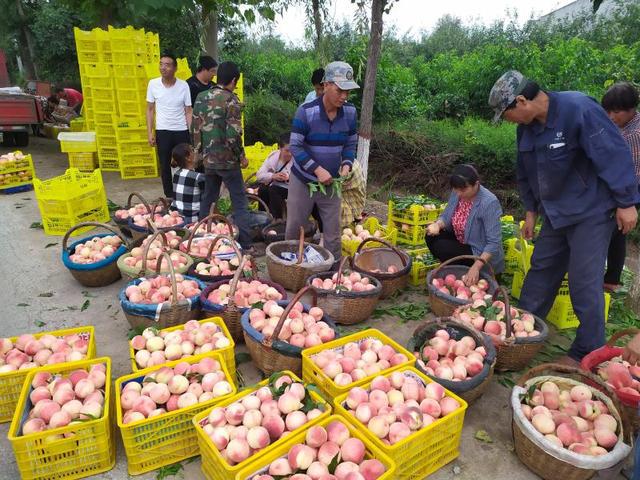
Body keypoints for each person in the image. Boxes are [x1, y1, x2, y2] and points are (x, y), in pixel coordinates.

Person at [488, 70, 640, 363]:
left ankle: (587, 350)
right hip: (556, 212)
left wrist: (626, 201)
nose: (507, 122)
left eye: (505, 114)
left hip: (591, 211)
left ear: (521, 101)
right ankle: (522, 329)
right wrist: (530, 211)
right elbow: (525, 172)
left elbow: (613, 152)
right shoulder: (527, 128)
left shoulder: (578, 109)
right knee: (542, 268)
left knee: (584, 281)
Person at [286, 61, 359, 264]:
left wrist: (346, 164)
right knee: (295, 227)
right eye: (340, 90)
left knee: (333, 231)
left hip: (332, 183)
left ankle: (333, 274)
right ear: (326, 85)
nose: (344, 96)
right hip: (303, 180)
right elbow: (296, 147)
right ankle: (291, 269)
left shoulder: (350, 113)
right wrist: (318, 170)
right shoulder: (306, 112)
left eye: (348, 92)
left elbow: (350, 143)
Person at [192, 61, 254, 254]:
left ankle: (200, 238)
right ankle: (245, 244)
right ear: (234, 80)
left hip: (209, 160)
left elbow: (195, 130)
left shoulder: (202, 97)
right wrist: (241, 157)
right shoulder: (231, 100)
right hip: (228, 161)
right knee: (239, 201)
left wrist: (198, 155)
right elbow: (233, 135)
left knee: (209, 198)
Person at [425, 164, 504, 284]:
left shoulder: (489, 202)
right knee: (431, 236)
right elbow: (446, 216)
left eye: (463, 190)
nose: (459, 194)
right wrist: (438, 225)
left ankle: (467, 270)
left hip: (478, 252)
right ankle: (455, 268)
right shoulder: (457, 193)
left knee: (443, 247)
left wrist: (476, 267)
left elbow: (494, 243)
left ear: (476, 184)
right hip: (461, 241)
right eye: (456, 189)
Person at [601, 82, 640, 292]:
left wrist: (623, 203)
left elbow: (631, 172)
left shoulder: (634, 134)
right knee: (617, 233)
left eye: (616, 112)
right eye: (608, 111)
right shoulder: (624, 124)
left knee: (615, 232)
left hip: (630, 191)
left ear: (631, 109)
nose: (611, 117)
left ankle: (610, 281)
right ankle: (611, 279)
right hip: (623, 188)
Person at [146, 53, 192, 198]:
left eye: (167, 65)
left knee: (185, 162)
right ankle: (169, 196)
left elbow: (188, 111)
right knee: (165, 164)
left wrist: (191, 133)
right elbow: (150, 109)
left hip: (181, 130)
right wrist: (150, 132)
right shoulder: (153, 84)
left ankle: (185, 191)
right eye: (161, 64)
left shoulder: (183, 85)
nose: (163, 68)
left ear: (175, 68)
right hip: (162, 130)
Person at [255, 132, 293, 220]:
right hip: (274, 185)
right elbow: (259, 175)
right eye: (287, 150)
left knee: (274, 190)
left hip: (291, 188)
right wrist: (272, 176)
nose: (290, 154)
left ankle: (278, 220)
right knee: (263, 190)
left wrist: (288, 177)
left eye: (292, 150)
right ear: (280, 148)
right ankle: (263, 218)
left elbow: (302, 177)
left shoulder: (297, 158)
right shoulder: (273, 157)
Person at [170, 143, 205, 224]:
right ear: (188, 158)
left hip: (175, 216)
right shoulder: (198, 177)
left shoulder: (176, 174)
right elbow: (208, 198)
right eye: (192, 150)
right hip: (192, 218)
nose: (195, 152)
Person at [340, 161, 366, 228]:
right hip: (357, 204)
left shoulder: (345, 168)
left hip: (351, 208)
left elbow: (330, 184)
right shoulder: (351, 160)